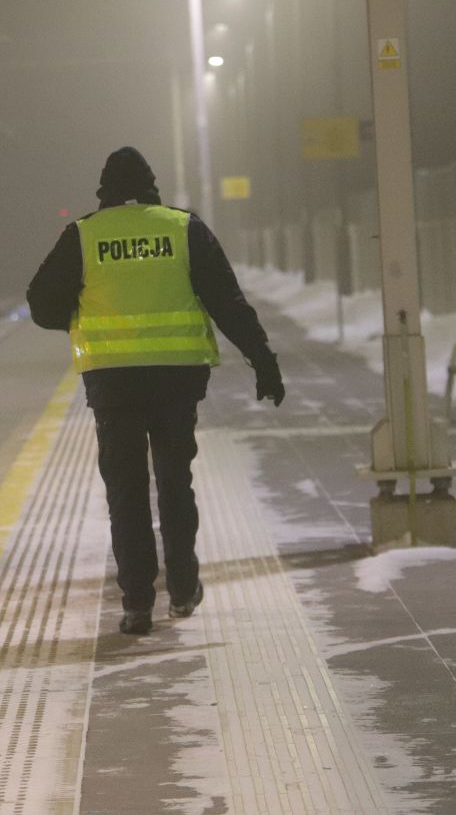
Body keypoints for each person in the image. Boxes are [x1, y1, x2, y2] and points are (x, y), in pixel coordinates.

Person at [27, 147, 284, 635]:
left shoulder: (84, 234)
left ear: (104, 189)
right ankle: (183, 589)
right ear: (151, 186)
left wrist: (81, 316)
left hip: (113, 381)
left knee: (125, 492)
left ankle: (137, 604)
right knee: (173, 481)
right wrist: (263, 359)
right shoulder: (183, 228)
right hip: (176, 378)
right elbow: (227, 301)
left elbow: (41, 304)